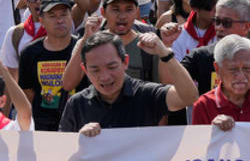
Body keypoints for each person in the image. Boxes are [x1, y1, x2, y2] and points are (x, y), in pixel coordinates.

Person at [59, 31, 199, 132]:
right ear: (85, 69)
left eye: (111, 67)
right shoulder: (77, 104)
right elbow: (61, 157)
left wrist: (165, 54)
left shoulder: (147, 94)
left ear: (125, 62)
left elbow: (188, 97)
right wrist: (79, 141)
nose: (105, 77)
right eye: (95, 70)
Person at [182, 0, 250, 94]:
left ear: (246, 27)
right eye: (217, 21)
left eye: (226, 22)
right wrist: (167, 47)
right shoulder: (199, 57)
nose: (219, 27)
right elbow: (172, 84)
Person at [18, 0, 82, 131]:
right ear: (41, 20)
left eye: (64, 15)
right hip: (43, 126)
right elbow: (27, 91)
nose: (59, 20)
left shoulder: (84, 48)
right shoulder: (29, 53)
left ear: (71, 17)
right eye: (52, 16)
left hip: (80, 121)